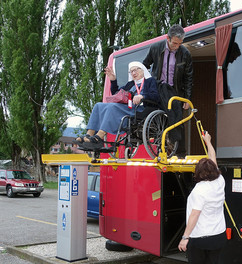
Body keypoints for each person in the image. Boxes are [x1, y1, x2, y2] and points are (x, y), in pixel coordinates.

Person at [73, 61, 159, 150]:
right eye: (131, 71)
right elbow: (117, 94)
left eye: (136, 70)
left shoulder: (150, 81)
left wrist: (142, 96)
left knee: (112, 107)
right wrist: (113, 80)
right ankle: (89, 135)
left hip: (140, 109)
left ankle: (99, 136)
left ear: (143, 70)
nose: (134, 73)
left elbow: (155, 96)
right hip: (127, 107)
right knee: (98, 105)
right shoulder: (131, 84)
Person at [143, 24, 193, 156]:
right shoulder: (155, 48)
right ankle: (161, 147)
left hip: (174, 91)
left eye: (179, 44)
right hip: (158, 88)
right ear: (168, 38)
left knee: (177, 120)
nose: (177, 46)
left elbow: (189, 77)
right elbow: (144, 66)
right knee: (157, 118)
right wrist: (147, 83)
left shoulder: (185, 53)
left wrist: (187, 98)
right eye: (175, 43)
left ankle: (181, 153)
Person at [178, 131, 226, 264]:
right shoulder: (220, 180)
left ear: (198, 172)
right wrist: (208, 141)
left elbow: (194, 215)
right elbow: (213, 157)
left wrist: (185, 237)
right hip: (219, 235)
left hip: (201, 238)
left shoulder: (199, 190)